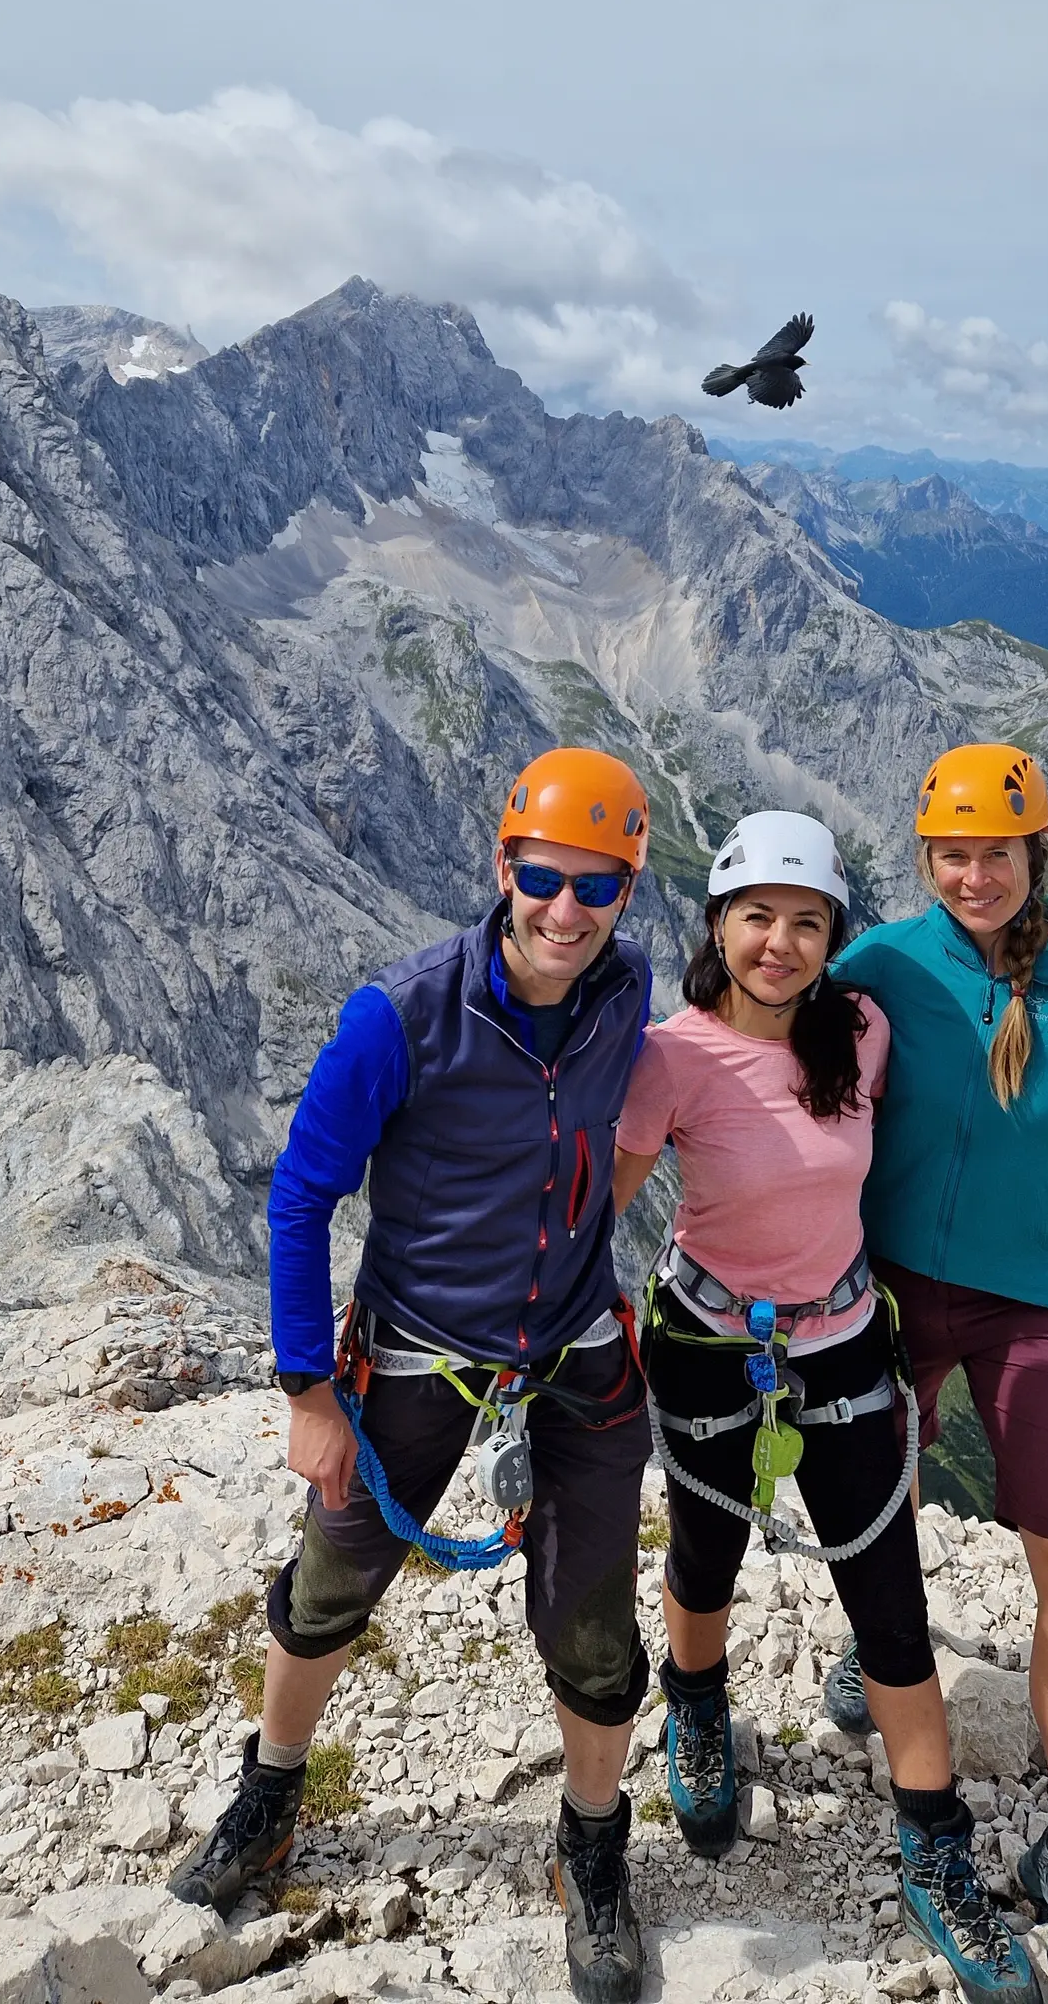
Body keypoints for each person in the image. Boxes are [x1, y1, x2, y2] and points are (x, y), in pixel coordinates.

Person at [170, 747, 659, 2004]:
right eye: (545, 876)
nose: (566, 908)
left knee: (595, 1625)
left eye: (595, 885)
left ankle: (591, 1847)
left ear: (627, 890)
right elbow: (302, 1195)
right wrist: (305, 1392)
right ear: (503, 867)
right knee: (329, 1585)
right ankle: (269, 1794)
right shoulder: (402, 1014)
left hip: (574, 1351)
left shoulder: (628, 990)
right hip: (414, 1355)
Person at [614, 811, 1036, 2002]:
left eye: (807, 924)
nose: (781, 945)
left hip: (846, 1347)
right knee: (706, 1558)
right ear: (717, 925)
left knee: (889, 1603)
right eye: (758, 918)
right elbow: (607, 1195)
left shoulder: (864, 1030)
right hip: (706, 1345)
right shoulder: (672, 1056)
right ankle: (696, 1709)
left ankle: (933, 1848)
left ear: (832, 937)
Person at [823, 744, 1048, 2004]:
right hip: (890, 1284)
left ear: (1037, 855)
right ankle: (878, 1652)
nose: (975, 874)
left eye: (998, 852)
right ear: (925, 858)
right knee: (884, 1502)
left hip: (1040, 1298)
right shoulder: (880, 966)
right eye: (953, 853)